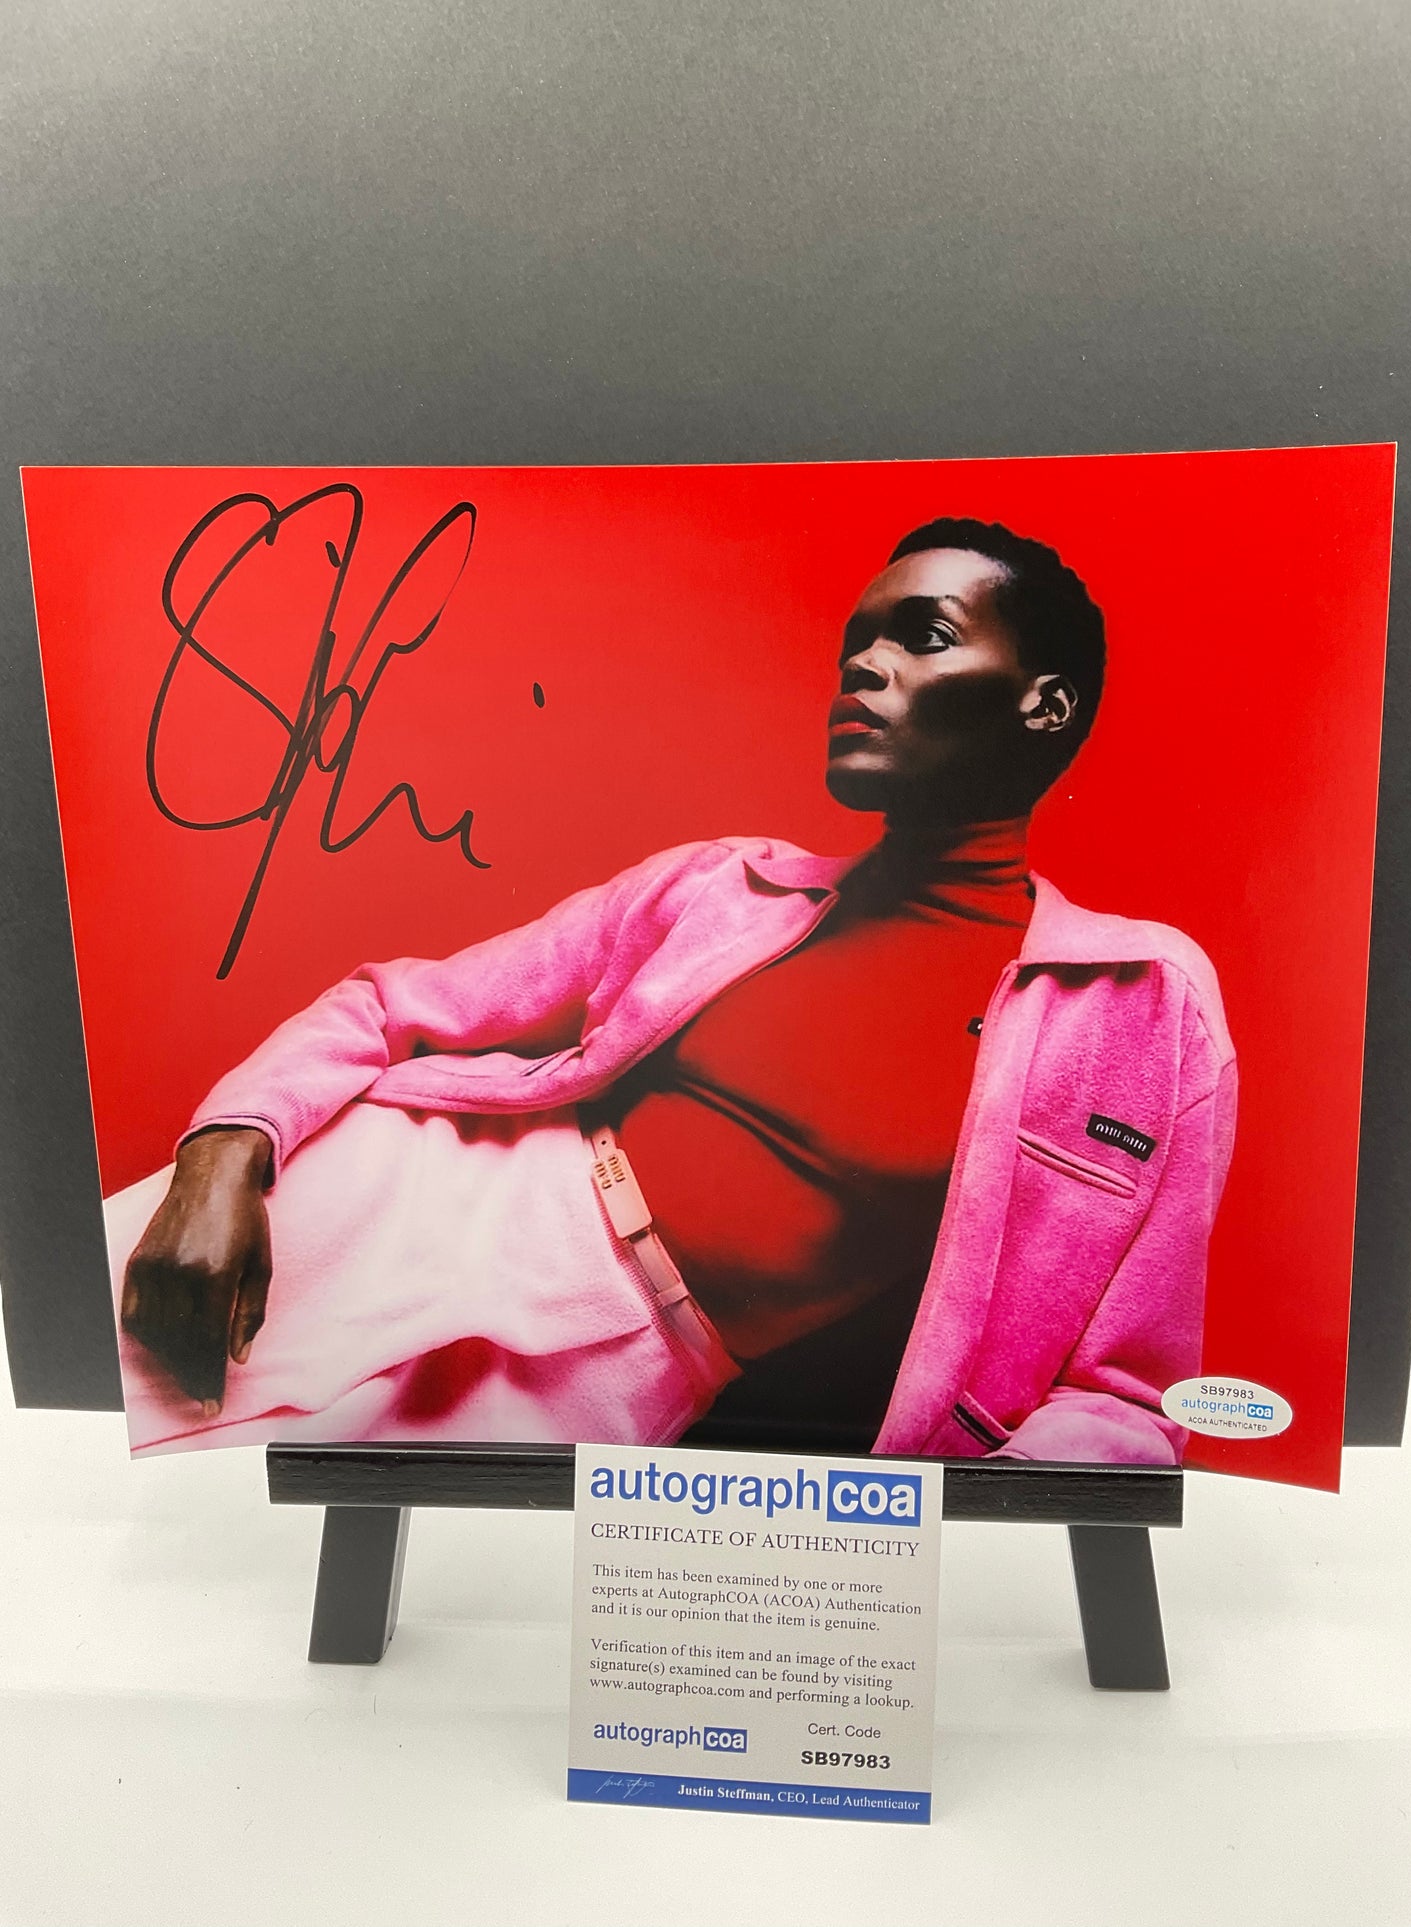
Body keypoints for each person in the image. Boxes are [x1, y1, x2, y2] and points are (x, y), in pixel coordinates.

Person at [108, 517, 1237, 1464]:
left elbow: (1124, 1393)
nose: (860, 665)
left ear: (1044, 704)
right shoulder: (717, 887)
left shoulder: (1143, 1007)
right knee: (91, 1452)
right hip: (388, 1201)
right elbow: (386, 1004)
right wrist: (223, 1157)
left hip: (623, 1381)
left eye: (922, 636)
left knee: (234, 1556)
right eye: (855, 640)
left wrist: (994, 1527)